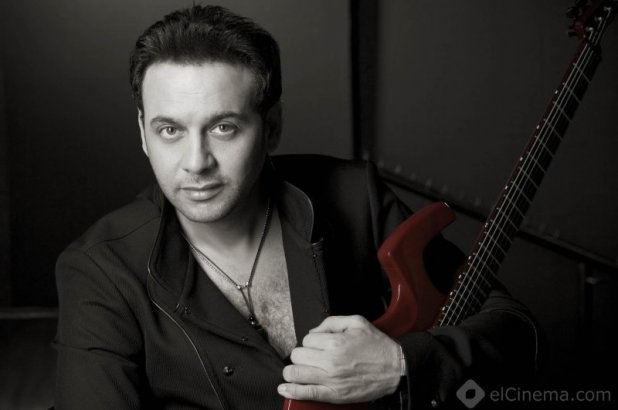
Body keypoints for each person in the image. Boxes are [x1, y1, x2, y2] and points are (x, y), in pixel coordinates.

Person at [53, 4, 540, 410]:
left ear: (272, 128)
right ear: (143, 134)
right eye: (170, 130)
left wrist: (401, 363)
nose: (196, 162)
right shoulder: (101, 270)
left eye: (223, 127)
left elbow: (516, 328)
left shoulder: (356, 198)